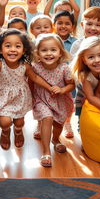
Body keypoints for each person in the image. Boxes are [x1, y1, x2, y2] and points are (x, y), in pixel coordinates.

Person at [0, 28, 55, 151]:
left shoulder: (25, 65)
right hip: (3, 96)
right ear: (0, 49)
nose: (13, 50)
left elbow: (35, 77)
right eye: (8, 46)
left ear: (24, 50)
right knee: (5, 123)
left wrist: (49, 87)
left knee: (19, 123)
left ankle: (18, 132)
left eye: (17, 46)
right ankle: (5, 132)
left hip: (20, 97)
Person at [32, 33, 75, 167]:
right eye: (44, 50)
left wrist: (62, 90)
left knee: (58, 123)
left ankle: (55, 140)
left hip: (60, 99)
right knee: (47, 118)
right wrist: (31, 97)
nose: (49, 53)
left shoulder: (64, 68)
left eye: (53, 50)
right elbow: (31, 82)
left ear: (60, 53)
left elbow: (71, 84)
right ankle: (46, 152)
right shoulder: (35, 67)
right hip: (41, 99)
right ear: (38, 53)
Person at [71, 36, 100, 121]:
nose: (97, 60)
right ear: (84, 60)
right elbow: (91, 98)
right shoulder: (85, 76)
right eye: (91, 57)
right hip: (85, 102)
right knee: (84, 122)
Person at [29, 14, 54, 139]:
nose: (43, 30)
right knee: (38, 103)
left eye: (46, 27)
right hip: (36, 77)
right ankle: (39, 124)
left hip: (52, 77)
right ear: (32, 30)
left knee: (53, 104)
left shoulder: (53, 41)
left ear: (52, 28)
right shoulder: (31, 45)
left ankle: (54, 128)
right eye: (38, 27)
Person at [54, 10, 77, 138]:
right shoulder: (50, 39)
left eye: (67, 23)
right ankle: (41, 124)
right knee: (48, 102)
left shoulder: (76, 42)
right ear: (54, 24)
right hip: (53, 79)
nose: (63, 26)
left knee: (69, 104)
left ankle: (67, 123)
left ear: (72, 27)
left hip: (69, 80)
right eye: (60, 23)